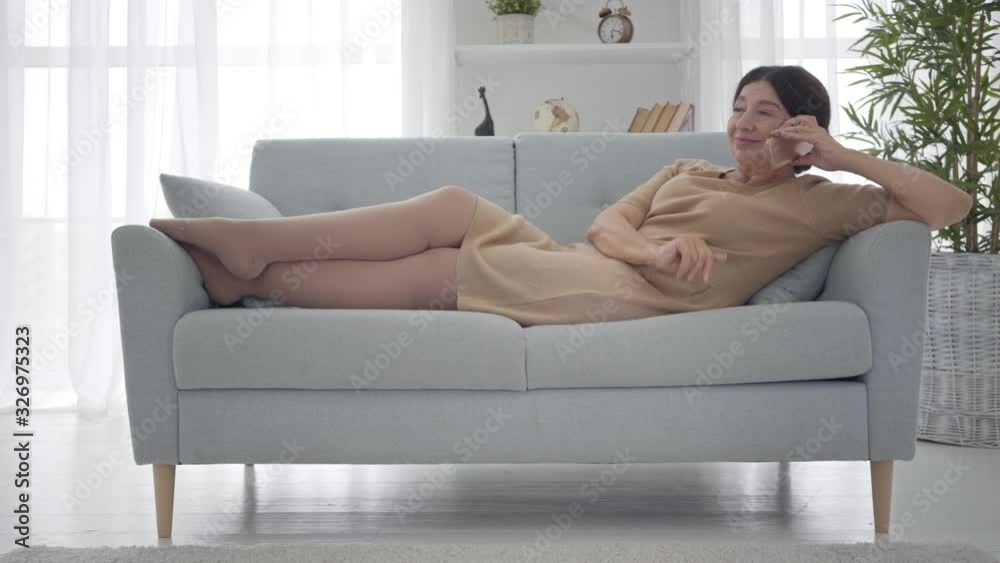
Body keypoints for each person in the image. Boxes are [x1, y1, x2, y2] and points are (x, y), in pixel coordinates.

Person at [150, 65, 972, 327]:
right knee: (445, 207)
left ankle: (250, 273)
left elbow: (952, 207)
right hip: (597, 261)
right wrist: (651, 245)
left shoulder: (824, 198)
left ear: (799, 131)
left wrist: (837, 151)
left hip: (635, 300)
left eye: (768, 114)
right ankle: (251, 256)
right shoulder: (689, 172)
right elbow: (606, 224)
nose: (744, 124)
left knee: (442, 270)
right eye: (739, 107)